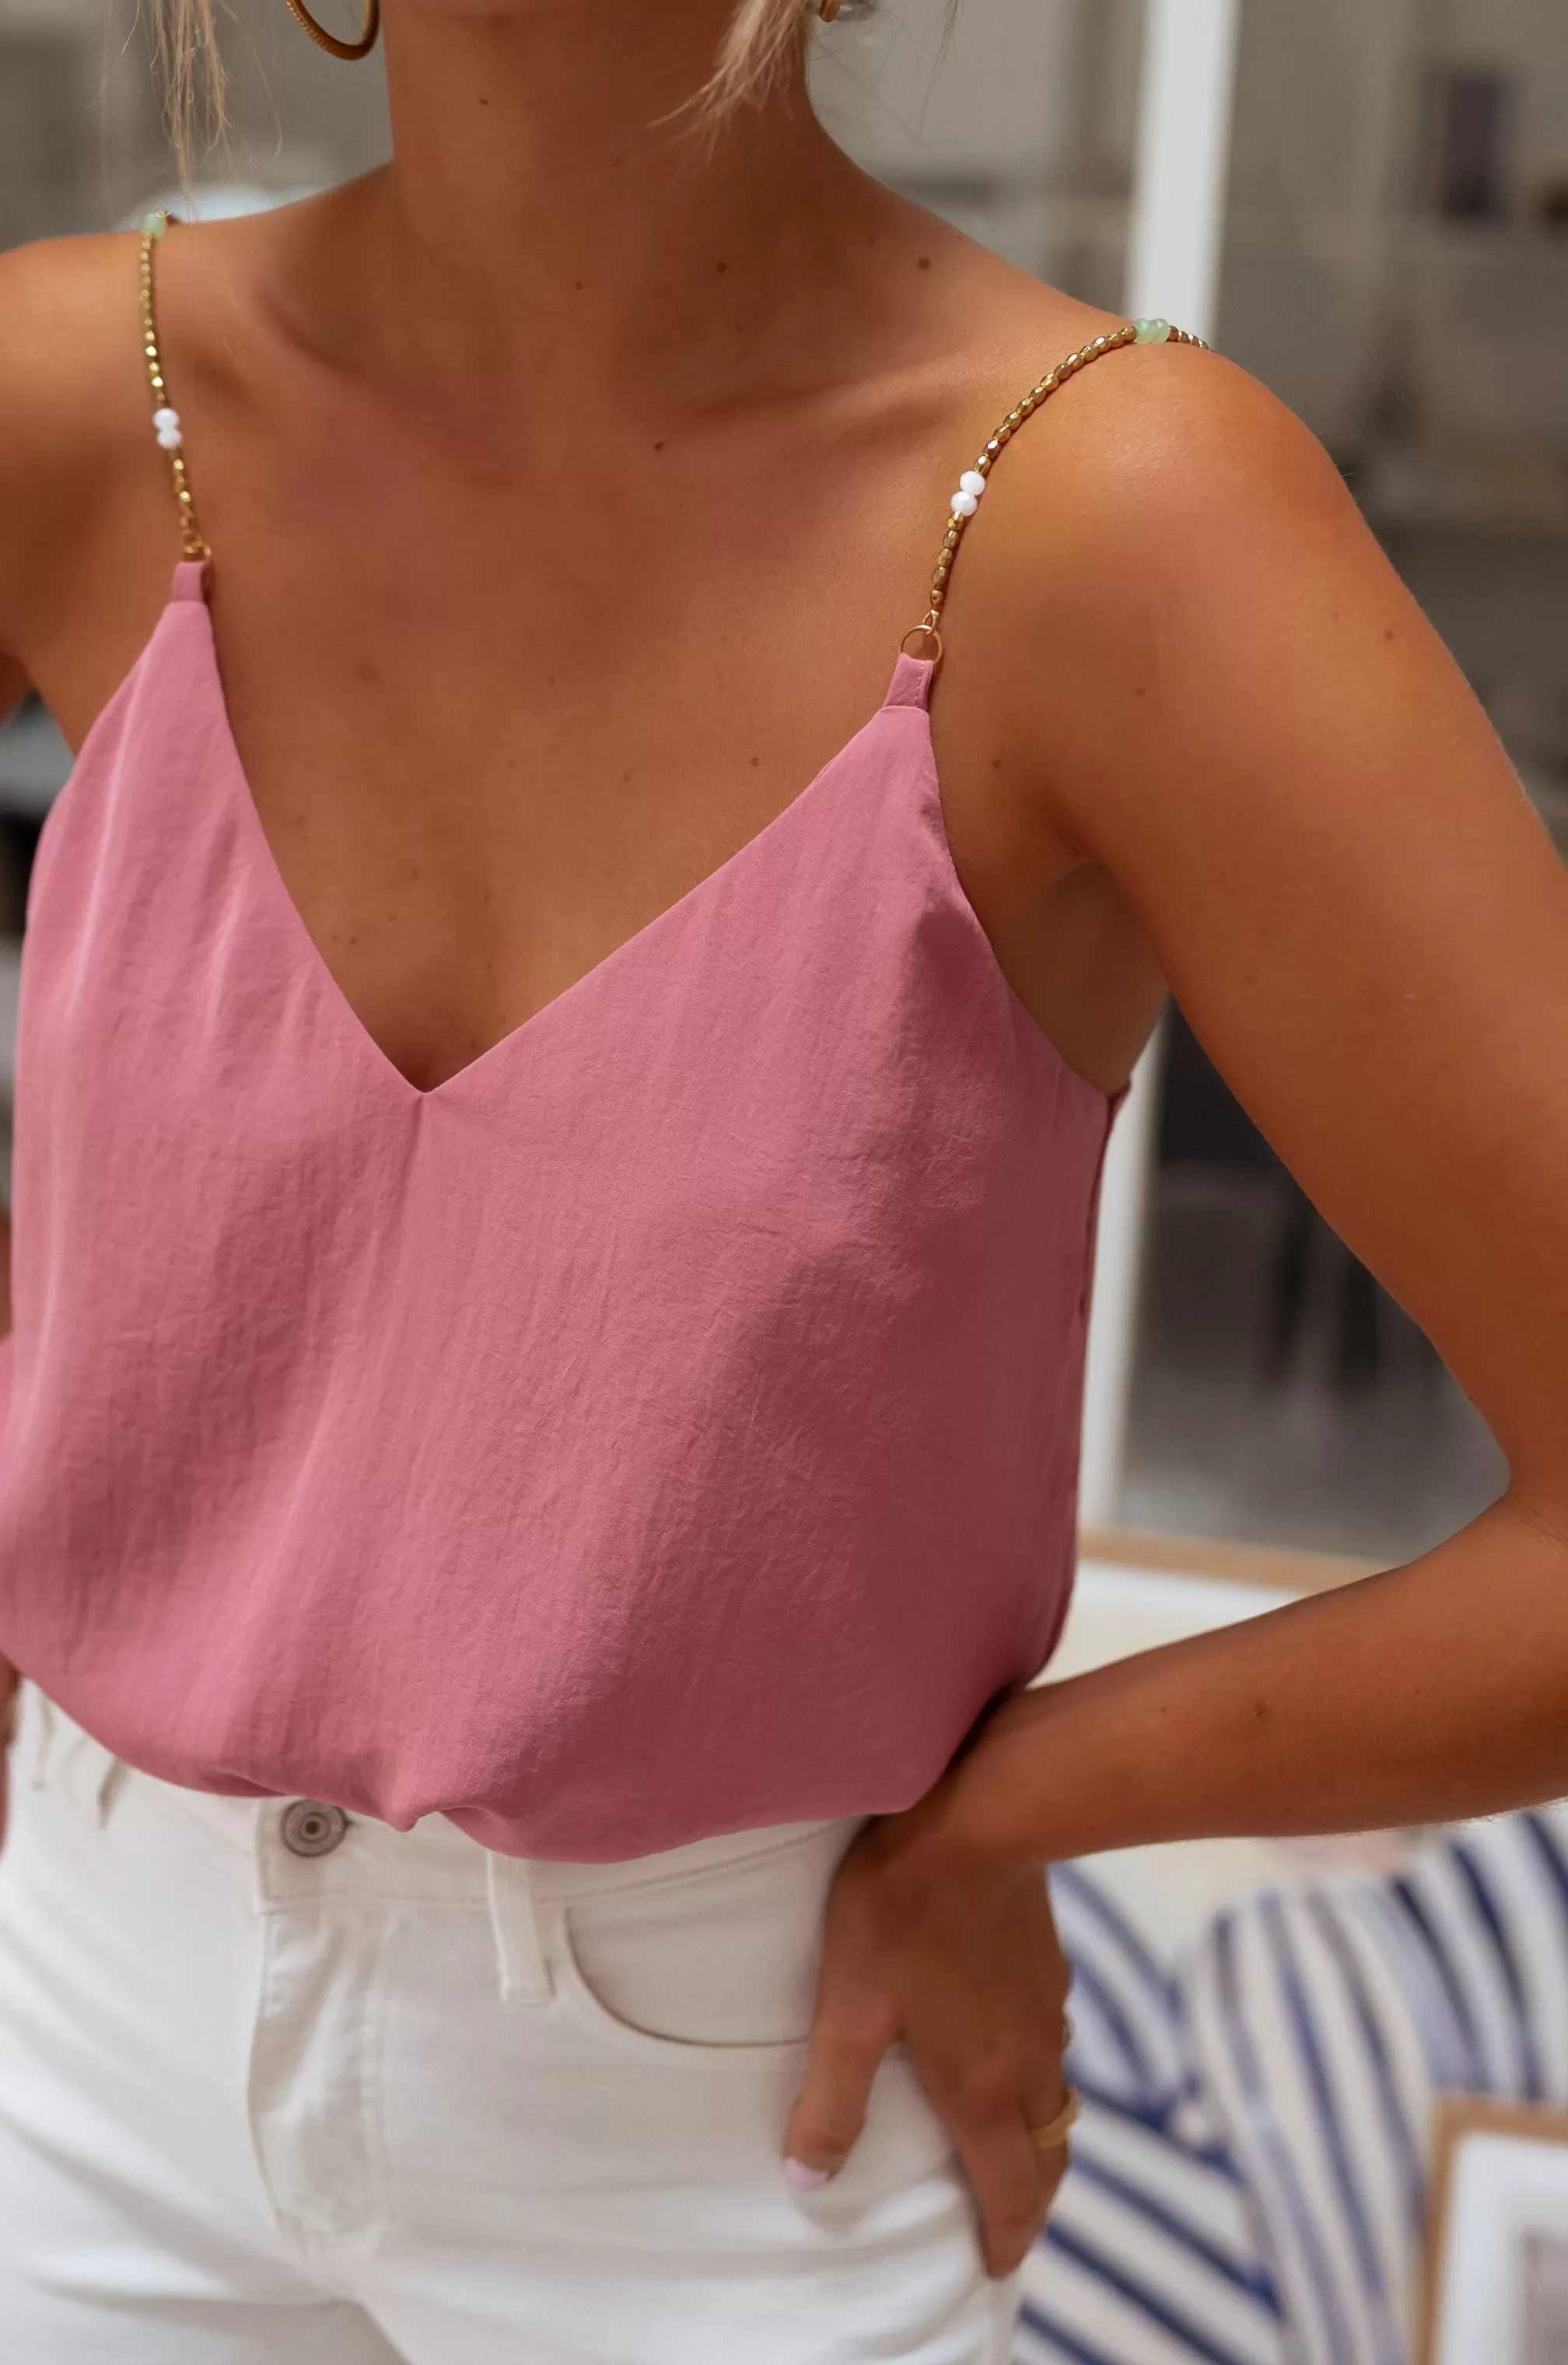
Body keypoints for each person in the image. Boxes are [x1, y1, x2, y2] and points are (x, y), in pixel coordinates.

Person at [0, 0, 1565, 2357]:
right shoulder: (71, 402)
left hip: (735, 2140)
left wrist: (1015, 1811)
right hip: (78, 2028)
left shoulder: (1117, 521)